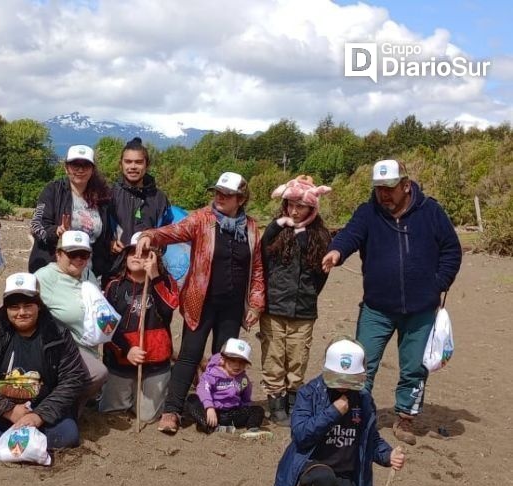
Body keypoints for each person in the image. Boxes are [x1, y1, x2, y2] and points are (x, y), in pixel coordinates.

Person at [322, 160, 462, 445]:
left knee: (414, 368)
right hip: (377, 308)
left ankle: (405, 419)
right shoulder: (368, 212)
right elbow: (350, 234)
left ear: (405, 185)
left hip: (421, 310)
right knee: (362, 364)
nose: (384, 195)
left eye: (390, 188)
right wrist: (336, 251)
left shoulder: (431, 212)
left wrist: (437, 284)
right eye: (379, 189)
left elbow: (451, 250)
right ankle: (356, 416)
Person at [134, 172, 265, 434]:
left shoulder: (251, 228)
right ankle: (172, 411)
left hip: (232, 307)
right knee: (189, 356)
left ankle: (217, 409)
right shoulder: (202, 219)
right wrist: (150, 235)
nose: (219, 197)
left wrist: (256, 303)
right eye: (216, 191)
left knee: (223, 359)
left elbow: (258, 268)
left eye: (226, 194)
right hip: (200, 301)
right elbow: (173, 232)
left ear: (240, 198)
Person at [274, 339, 406, 486]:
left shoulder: (363, 399)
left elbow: (371, 438)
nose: (344, 385)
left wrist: (388, 455)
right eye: (338, 378)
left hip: (343, 474)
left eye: (350, 379)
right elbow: (300, 435)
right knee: (324, 476)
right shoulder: (309, 393)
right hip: (310, 467)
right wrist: (333, 412)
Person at [0, 273, 90, 450]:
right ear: (6, 308)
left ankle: (10, 445)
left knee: (68, 433)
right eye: (14, 307)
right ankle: (20, 445)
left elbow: (72, 379)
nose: (21, 313)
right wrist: (8, 410)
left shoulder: (57, 334)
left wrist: (38, 416)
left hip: (39, 411)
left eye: (28, 306)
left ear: (38, 306)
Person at [260, 176, 333, 426]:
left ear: (312, 207)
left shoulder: (320, 235)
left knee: (298, 358)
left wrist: (309, 293)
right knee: (273, 358)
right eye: (290, 204)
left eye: (300, 206)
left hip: (303, 310)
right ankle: (275, 403)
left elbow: (322, 274)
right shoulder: (275, 230)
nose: (294, 210)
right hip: (274, 307)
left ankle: (294, 402)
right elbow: (261, 257)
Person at [99, 232, 179, 423]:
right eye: (132, 252)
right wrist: (128, 349)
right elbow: (106, 325)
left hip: (155, 363)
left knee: (147, 416)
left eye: (144, 253)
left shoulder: (166, 282)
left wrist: (155, 276)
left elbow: (167, 311)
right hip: (120, 360)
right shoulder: (114, 286)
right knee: (112, 411)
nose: (137, 256)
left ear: (154, 257)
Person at [35, 231, 109, 410]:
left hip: (88, 347)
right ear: (58, 254)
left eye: (84, 254)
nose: (79, 259)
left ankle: (70, 409)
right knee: (98, 373)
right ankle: (60, 408)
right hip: (60, 347)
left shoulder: (88, 275)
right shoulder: (45, 277)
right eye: (72, 254)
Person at [29, 145, 112, 277]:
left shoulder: (102, 197)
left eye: (85, 165)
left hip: (88, 273)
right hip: (55, 271)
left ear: (92, 169)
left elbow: (105, 237)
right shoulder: (53, 191)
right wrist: (56, 231)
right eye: (75, 165)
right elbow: (36, 225)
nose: (80, 170)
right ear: (66, 168)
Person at [184, 338, 271, 439]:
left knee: (258, 410)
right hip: (212, 412)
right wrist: (209, 407)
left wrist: (244, 410)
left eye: (242, 362)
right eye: (233, 360)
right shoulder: (212, 375)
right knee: (192, 399)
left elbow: (245, 398)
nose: (237, 365)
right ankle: (210, 427)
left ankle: (252, 429)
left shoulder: (243, 379)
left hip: (231, 413)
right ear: (223, 360)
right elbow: (203, 389)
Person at [108, 137, 172, 254]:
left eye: (138, 162)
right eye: (128, 161)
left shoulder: (159, 198)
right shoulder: (109, 195)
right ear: (120, 164)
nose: (133, 166)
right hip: (116, 265)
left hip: (148, 265)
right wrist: (109, 243)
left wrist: (157, 245)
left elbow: (167, 232)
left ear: (147, 165)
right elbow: (99, 231)